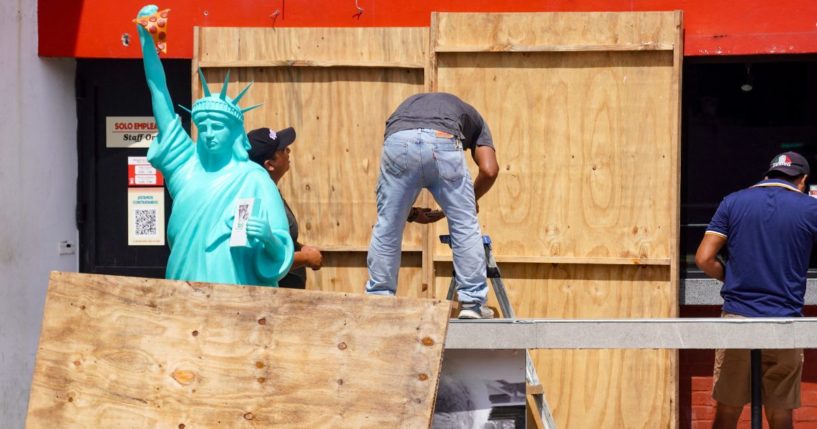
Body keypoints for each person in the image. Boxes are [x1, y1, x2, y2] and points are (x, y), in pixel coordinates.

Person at [135, 5, 293, 286]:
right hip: (183, 291)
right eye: (203, 126)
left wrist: (268, 237)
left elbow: (280, 252)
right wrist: (148, 46)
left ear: (235, 134)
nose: (208, 133)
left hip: (236, 298)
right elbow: (159, 96)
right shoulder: (185, 168)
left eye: (218, 126)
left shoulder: (254, 179)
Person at [695, 151, 817, 429]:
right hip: (785, 321)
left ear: (768, 174)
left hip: (738, 317)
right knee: (780, 413)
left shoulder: (733, 202)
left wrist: (733, 278)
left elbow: (703, 258)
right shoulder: (811, 209)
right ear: (803, 180)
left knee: (727, 410)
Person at [365, 92, 499, 319]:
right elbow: (489, 170)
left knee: (387, 225)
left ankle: (379, 299)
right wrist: (469, 200)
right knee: (464, 224)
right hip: (443, 139)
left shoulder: (407, 107)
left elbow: (393, 193)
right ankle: (472, 304)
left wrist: (408, 213)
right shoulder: (477, 122)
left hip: (398, 139)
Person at [247, 127, 323, 289]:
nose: (289, 151)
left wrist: (300, 247)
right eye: (283, 150)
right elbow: (258, 258)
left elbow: (278, 238)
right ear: (270, 164)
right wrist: (305, 258)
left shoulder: (272, 192)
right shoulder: (256, 199)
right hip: (276, 296)